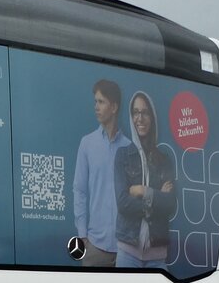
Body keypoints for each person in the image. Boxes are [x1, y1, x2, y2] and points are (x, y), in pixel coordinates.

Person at [114, 91, 176, 269]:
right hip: (128, 252)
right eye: (135, 112)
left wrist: (143, 191)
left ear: (152, 117)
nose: (140, 118)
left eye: (145, 112)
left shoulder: (164, 160)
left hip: (157, 257)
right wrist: (157, 198)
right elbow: (123, 203)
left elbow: (170, 204)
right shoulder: (122, 156)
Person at [71, 79, 130, 266]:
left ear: (114, 107)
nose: (96, 107)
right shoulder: (87, 144)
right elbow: (79, 190)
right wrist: (82, 235)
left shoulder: (130, 148)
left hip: (127, 250)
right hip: (94, 248)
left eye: (101, 102)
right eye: (95, 101)